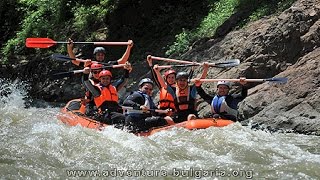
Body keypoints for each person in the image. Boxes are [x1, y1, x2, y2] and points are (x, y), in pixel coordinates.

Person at [67, 38, 133, 67]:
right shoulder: (90, 63)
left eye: (102, 55)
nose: (100, 56)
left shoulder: (107, 64)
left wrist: (129, 47)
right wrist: (69, 47)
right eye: (98, 55)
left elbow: (123, 61)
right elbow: (74, 60)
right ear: (95, 56)